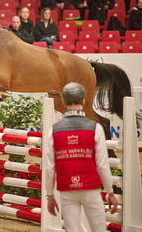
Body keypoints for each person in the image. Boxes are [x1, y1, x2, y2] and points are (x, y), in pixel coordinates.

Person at [46, 82, 118, 232]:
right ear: (84, 100)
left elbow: (49, 168)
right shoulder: (95, 128)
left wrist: (50, 196)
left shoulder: (54, 130)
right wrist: (110, 192)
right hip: (91, 188)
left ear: (64, 102)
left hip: (67, 189)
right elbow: (102, 165)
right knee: (99, 228)